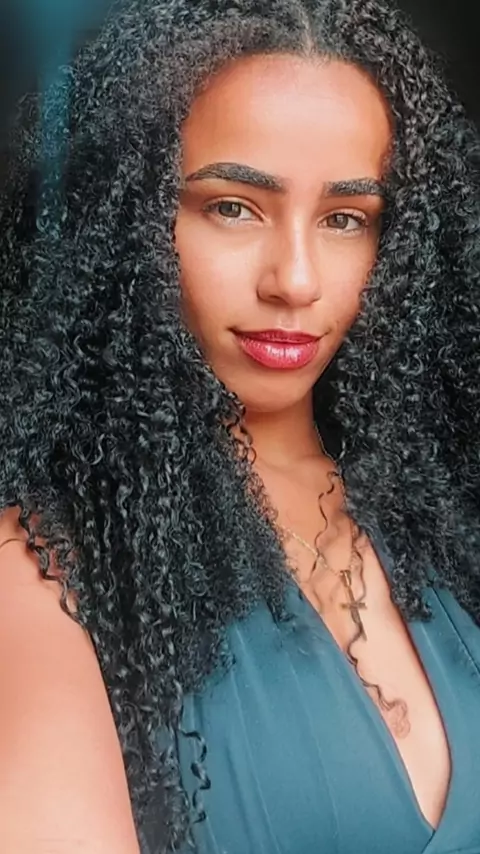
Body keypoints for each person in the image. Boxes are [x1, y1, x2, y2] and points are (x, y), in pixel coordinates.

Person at [0, 0, 479, 851]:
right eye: (232, 206)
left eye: (345, 218)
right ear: (130, 220)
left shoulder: (445, 518)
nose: (294, 280)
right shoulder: (39, 567)